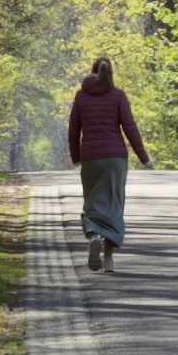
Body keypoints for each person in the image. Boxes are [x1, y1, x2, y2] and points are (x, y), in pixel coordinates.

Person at [66, 56, 151, 273]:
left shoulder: (80, 96)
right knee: (114, 207)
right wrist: (144, 158)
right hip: (115, 159)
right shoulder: (118, 95)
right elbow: (130, 128)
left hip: (91, 158)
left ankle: (93, 235)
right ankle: (109, 260)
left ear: (92, 72)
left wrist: (76, 157)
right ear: (109, 73)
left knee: (92, 204)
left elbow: (74, 131)